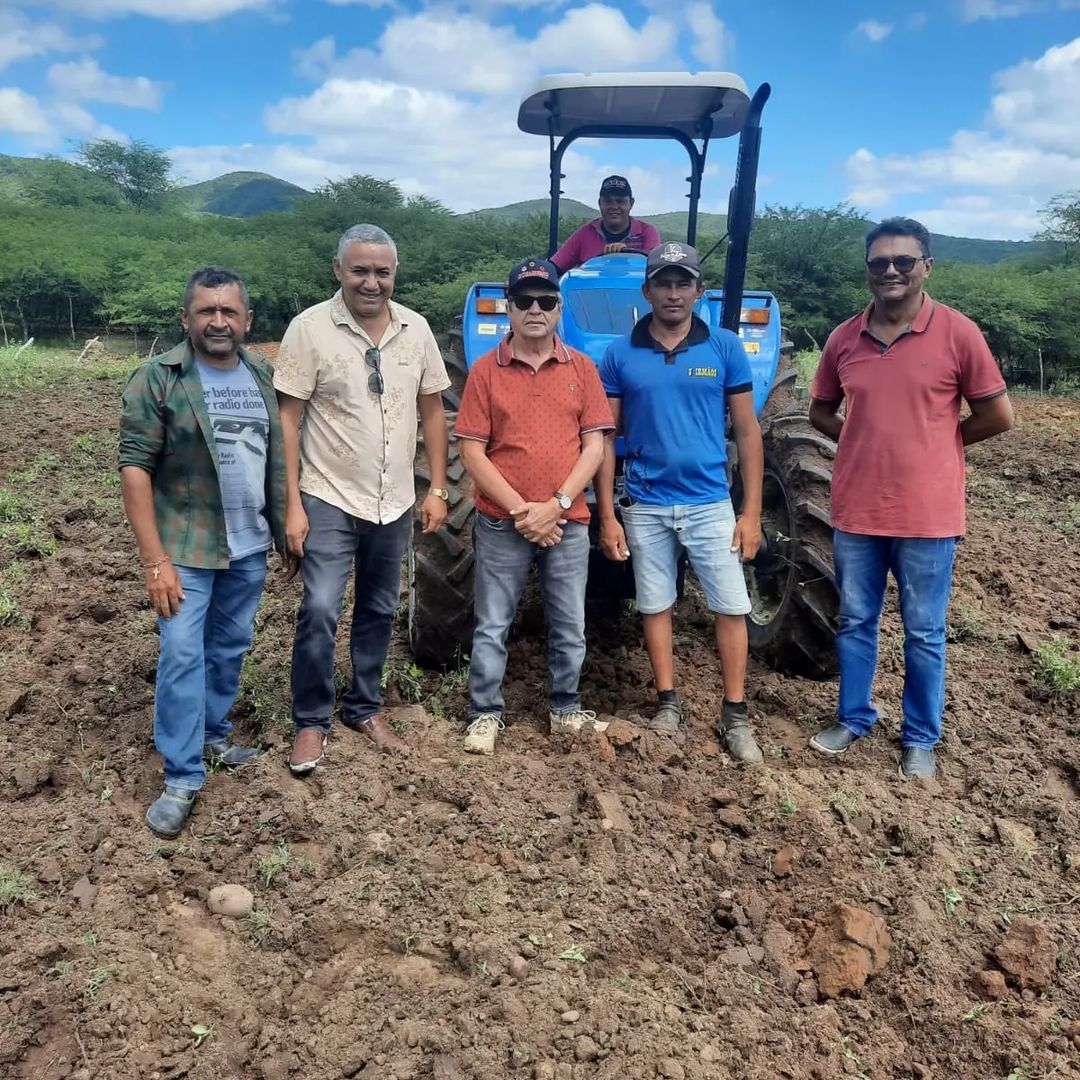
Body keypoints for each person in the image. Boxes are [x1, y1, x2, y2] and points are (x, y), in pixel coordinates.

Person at [807, 217, 1014, 781]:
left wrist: (942, 442)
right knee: (855, 620)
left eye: (903, 261)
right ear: (868, 271)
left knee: (924, 630)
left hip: (928, 513)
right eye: (879, 263)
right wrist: (855, 438)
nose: (891, 271)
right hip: (856, 509)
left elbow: (998, 414)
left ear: (927, 267)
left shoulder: (958, 333)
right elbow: (819, 411)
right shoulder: (844, 338)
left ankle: (920, 738)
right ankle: (853, 717)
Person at [274, 224, 451, 774]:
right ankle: (310, 719)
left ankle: (365, 706)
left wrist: (438, 487)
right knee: (322, 606)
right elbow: (289, 416)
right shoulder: (309, 329)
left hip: (394, 498)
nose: (371, 282)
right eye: (360, 271)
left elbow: (432, 412)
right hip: (326, 493)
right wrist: (291, 503)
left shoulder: (415, 330)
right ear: (338, 270)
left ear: (394, 274)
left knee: (378, 607)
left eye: (382, 272)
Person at [119, 266, 286, 837]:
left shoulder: (260, 372)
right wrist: (155, 561)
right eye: (206, 311)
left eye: (229, 311)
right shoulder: (159, 378)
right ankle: (182, 774)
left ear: (247, 320)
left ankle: (214, 737)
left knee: (229, 646)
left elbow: (276, 456)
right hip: (185, 549)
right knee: (183, 654)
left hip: (248, 543)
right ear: (186, 317)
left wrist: (285, 523)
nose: (219, 321)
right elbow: (135, 471)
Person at [596, 241, 765, 764]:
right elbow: (604, 437)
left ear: (699, 290)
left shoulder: (725, 348)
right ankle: (667, 702)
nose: (673, 292)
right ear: (646, 291)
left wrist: (752, 511)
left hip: (709, 501)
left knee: (732, 605)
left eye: (682, 282)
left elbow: (747, 430)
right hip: (645, 502)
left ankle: (734, 713)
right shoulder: (619, 354)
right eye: (663, 283)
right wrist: (607, 514)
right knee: (655, 604)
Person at [454, 257, 615, 755]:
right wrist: (525, 511)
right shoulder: (485, 372)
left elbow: (594, 446)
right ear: (509, 309)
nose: (535, 310)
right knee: (493, 621)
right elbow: (471, 450)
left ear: (559, 308)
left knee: (569, 621)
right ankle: (484, 714)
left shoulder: (583, 369)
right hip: (504, 522)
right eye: (524, 301)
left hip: (568, 520)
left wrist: (559, 503)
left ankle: (565, 707)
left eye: (545, 300)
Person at [551, 175, 661, 274]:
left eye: (620, 201)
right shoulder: (585, 233)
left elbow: (657, 270)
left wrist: (627, 256)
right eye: (608, 201)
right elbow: (554, 267)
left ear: (631, 203)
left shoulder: (647, 232)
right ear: (600, 203)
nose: (614, 207)